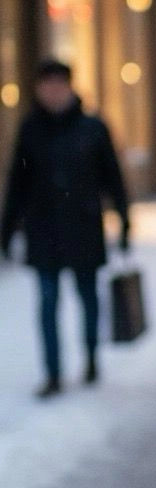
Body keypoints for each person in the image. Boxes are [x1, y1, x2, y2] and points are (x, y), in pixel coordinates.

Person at [1, 58, 130, 397]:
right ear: (38, 89)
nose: (53, 92)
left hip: (83, 227)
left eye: (59, 84)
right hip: (43, 231)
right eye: (47, 85)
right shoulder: (30, 129)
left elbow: (112, 177)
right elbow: (18, 182)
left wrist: (124, 218)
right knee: (47, 302)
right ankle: (54, 373)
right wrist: (8, 227)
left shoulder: (92, 127)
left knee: (88, 297)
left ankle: (90, 358)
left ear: (70, 87)